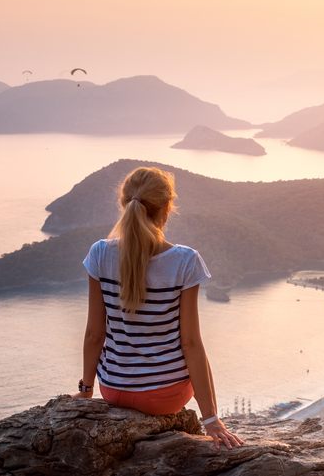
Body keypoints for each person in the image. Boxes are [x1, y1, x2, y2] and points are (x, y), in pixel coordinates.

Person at [71, 166, 243, 450]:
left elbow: (94, 333)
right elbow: (190, 343)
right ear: (167, 207)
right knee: (193, 350)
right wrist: (211, 419)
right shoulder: (185, 261)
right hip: (167, 395)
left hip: (114, 389)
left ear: (124, 204)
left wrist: (86, 389)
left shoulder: (100, 253)